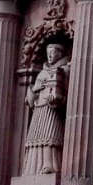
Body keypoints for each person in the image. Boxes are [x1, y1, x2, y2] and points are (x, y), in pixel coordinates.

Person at [22, 42, 70, 175]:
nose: (50, 55)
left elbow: (68, 94)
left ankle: (50, 165)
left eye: (53, 52)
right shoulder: (41, 73)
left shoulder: (65, 70)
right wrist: (35, 89)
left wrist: (58, 100)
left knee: (51, 135)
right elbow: (30, 101)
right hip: (39, 110)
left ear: (60, 54)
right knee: (36, 137)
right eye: (48, 53)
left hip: (52, 111)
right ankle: (33, 167)